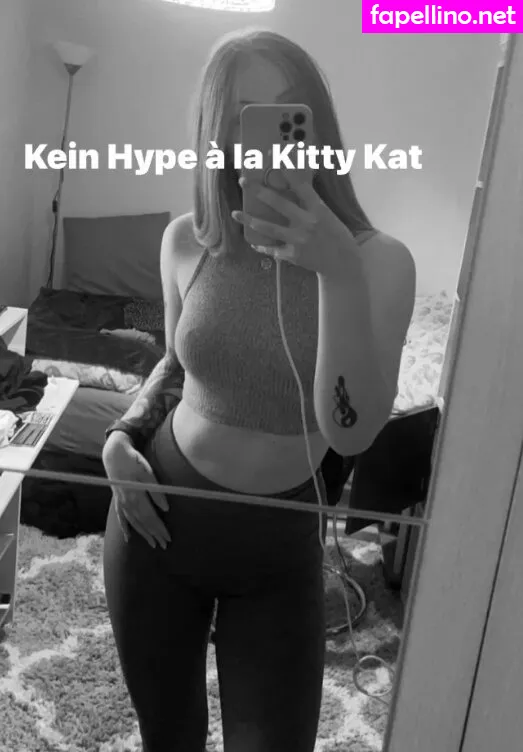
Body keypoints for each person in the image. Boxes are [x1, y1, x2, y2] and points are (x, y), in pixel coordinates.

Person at [102, 27, 416, 752]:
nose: (270, 138)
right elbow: (174, 364)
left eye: (287, 109)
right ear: (220, 135)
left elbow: (352, 432)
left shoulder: (378, 263)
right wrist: (120, 437)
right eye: (246, 115)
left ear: (316, 121)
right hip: (158, 525)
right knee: (167, 739)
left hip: (278, 552)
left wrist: (336, 270)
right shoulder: (187, 240)